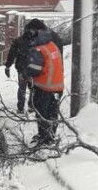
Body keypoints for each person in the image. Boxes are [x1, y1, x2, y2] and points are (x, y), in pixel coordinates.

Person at [20, 19, 65, 147]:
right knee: (52, 113)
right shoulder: (52, 44)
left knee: (42, 113)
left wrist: (26, 73)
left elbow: (34, 68)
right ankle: (50, 136)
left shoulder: (39, 49)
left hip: (44, 87)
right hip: (57, 85)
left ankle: (44, 138)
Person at [3, 29, 32, 114]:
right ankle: (32, 106)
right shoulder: (37, 41)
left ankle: (20, 108)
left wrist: (8, 66)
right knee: (33, 89)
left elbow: (11, 55)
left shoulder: (18, 41)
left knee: (22, 88)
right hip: (34, 70)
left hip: (22, 69)